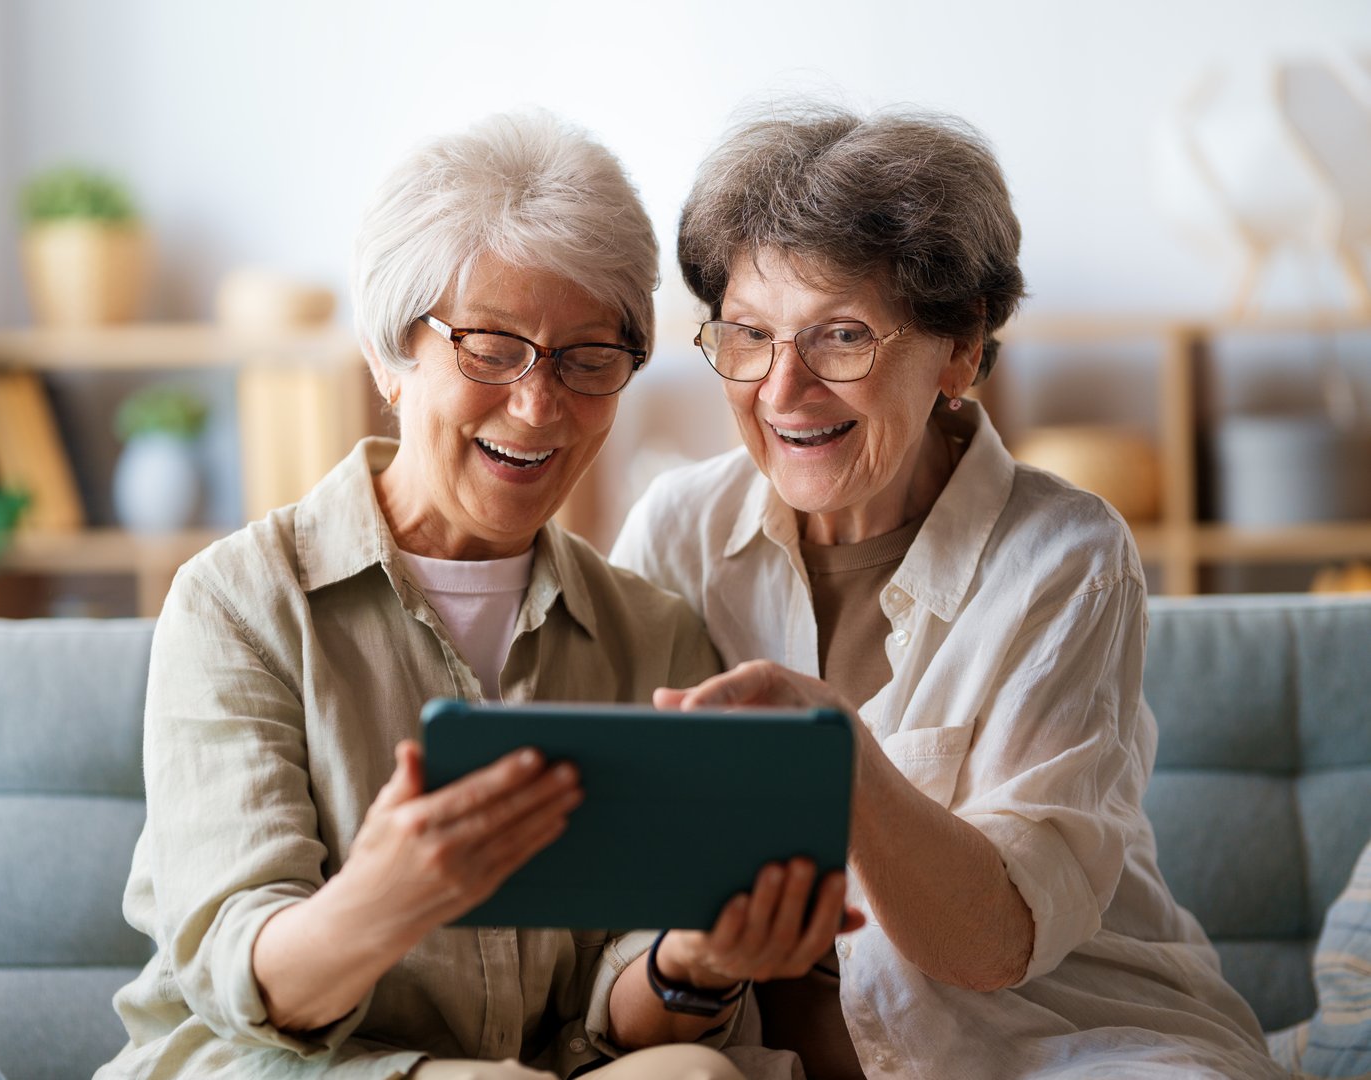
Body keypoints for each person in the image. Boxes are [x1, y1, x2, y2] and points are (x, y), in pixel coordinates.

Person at [99, 111, 853, 1080]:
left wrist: (691, 964)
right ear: (390, 354)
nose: (539, 405)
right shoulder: (240, 605)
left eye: (588, 359)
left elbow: (613, 1024)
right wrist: (384, 896)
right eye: (491, 348)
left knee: (700, 1074)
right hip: (284, 1065)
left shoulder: (651, 632)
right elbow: (248, 982)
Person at [612, 104, 1287, 1079]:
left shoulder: (1067, 559)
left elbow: (993, 943)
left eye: (840, 337)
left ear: (961, 349)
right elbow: (620, 913)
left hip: (1061, 1045)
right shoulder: (672, 534)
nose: (783, 390)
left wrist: (837, 762)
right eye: (749, 336)